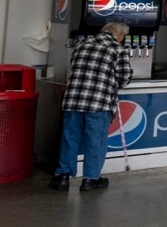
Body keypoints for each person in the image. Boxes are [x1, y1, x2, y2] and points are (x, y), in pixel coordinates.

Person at [49, 21, 132, 192]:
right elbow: (124, 79)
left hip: (73, 101)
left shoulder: (81, 45)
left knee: (70, 140)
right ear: (120, 35)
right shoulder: (118, 50)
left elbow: (73, 68)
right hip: (98, 103)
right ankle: (90, 180)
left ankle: (63, 177)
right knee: (95, 142)